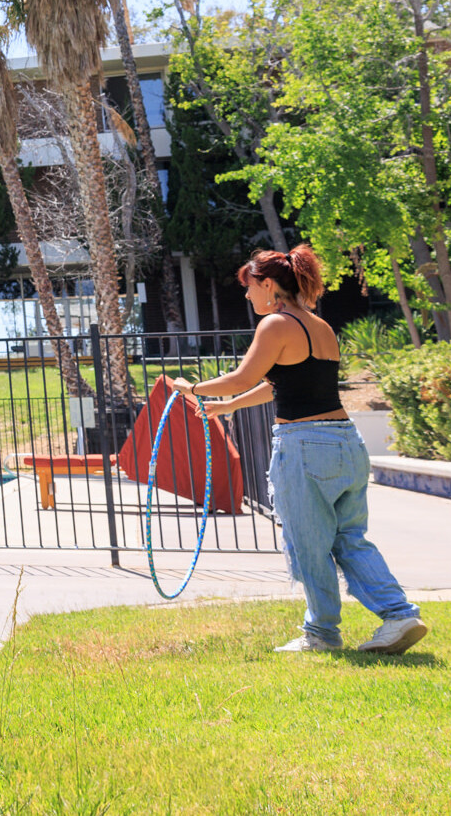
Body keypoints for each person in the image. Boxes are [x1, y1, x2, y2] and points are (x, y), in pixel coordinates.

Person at [173, 245, 428, 655]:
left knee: (307, 544)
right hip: (346, 442)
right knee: (349, 539)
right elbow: (282, 383)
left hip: (304, 447)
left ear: (269, 285)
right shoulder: (319, 326)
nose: (246, 295)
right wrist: (229, 407)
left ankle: (322, 634)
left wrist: (195, 389)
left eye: (250, 286)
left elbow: (243, 375)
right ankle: (399, 615)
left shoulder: (274, 325)